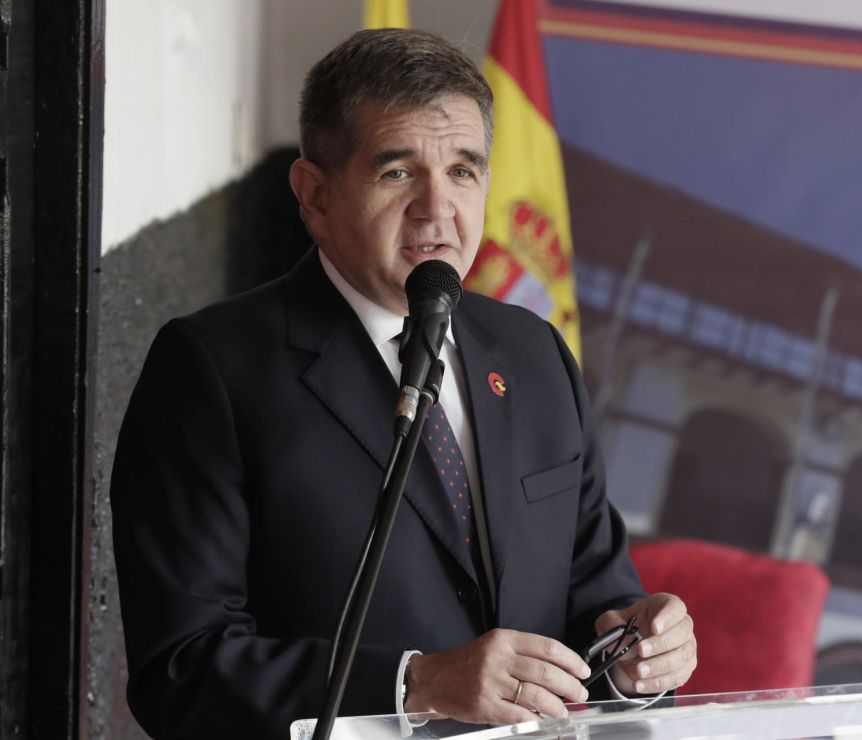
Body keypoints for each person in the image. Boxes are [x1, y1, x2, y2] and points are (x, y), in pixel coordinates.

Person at [111, 28, 696, 740]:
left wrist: (636, 653)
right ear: (315, 195)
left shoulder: (535, 352)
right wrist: (414, 684)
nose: (437, 208)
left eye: (463, 170)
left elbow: (593, 599)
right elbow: (182, 669)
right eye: (397, 172)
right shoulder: (212, 369)